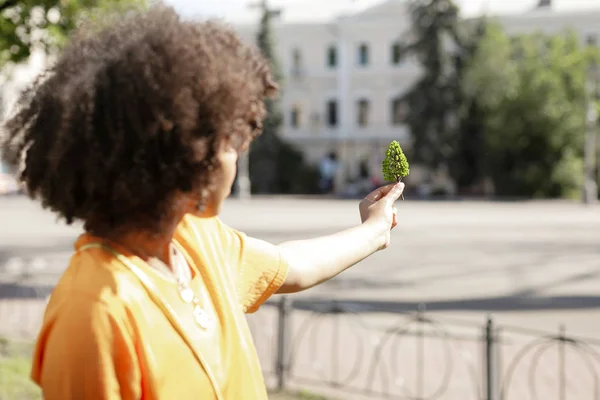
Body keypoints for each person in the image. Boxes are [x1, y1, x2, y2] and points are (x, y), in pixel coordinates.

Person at [0, 5, 404, 400]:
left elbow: (292, 267)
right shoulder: (93, 312)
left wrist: (374, 229)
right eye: (230, 138)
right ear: (185, 151)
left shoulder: (193, 237)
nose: (240, 149)